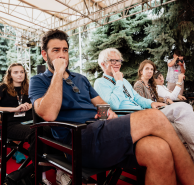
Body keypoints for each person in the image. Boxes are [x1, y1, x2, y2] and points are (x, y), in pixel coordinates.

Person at [29, 30, 194, 185]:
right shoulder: (39, 81)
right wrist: (58, 72)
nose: (62, 55)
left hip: (100, 131)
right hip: (77, 140)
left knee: (159, 150)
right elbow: (48, 114)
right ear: (44, 54)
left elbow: (102, 105)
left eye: (65, 50)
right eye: (55, 50)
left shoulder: (80, 78)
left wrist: (106, 115)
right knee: (155, 117)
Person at [133, 59, 194, 161]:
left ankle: (189, 164)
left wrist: (165, 99)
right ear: (141, 71)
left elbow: (155, 98)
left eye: (152, 69)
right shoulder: (139, 84)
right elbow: (140, 103)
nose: (150, 71)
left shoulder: (150, 86)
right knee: (183, 107)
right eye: (147, 69)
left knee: (182, 131)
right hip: (151, 116)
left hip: (159, 112)